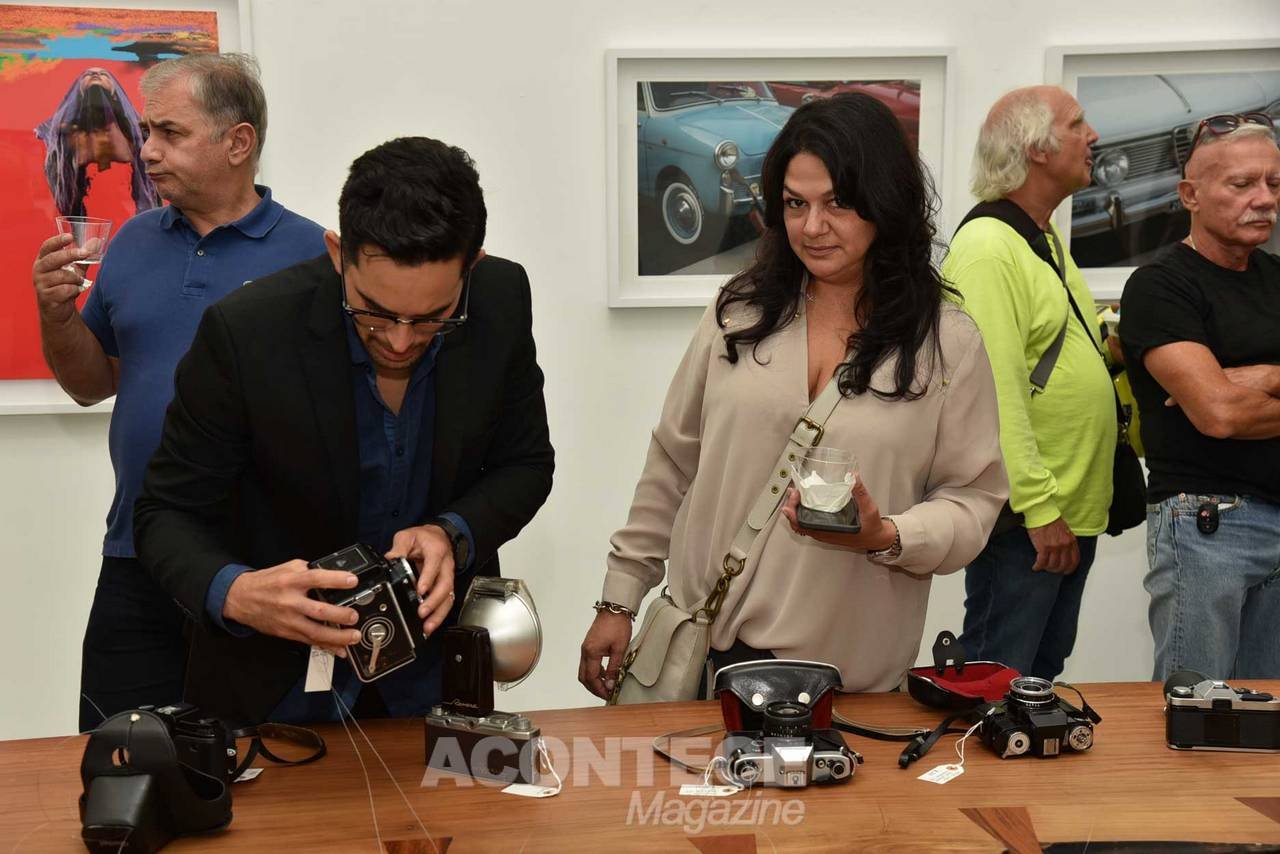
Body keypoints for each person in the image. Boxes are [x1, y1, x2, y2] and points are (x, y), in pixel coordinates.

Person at [578, 94, 1007, 701]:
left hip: (843, 688)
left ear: (885, 200)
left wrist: (887, 534)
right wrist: (619, 598)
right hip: (701, 663)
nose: (812, 227)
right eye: (795, 203)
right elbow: (673, 462)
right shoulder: (739, 312)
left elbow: (973, 500)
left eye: (837, 203)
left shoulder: (946, 344)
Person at [133, 136, 555, 725]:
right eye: (375, 311)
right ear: (338, 254)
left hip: (434, 685)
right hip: (273, 694)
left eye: (433, 318)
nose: (401, 340)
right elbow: (164, 513)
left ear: (472, 267)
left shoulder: (500, 300)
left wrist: (451, 532)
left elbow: (526, 464)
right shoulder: (247, 333)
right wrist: (236, 592)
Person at [29, 53, 326, 732]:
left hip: (257, 572)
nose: (148, 152)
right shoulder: (133, 241)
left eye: (170, 133)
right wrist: (56, 315)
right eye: (147, 133)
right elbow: (90, 384)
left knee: (265, 770)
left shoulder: (314, 258)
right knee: (118, 758)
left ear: (238, 142)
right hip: (135, 554)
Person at [944, 86, 1117, 681]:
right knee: (996, 680)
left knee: (1034, 683)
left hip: (1064, 510)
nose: (1092, 136)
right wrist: (1040, 511)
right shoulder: (989, 249)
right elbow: (993, 394)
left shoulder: (1038, 237)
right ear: (1037, 148)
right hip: (1031, 521)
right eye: (1077, 124)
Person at [1119, 114, 1280, 680]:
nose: (1265, 199)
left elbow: (1226, 403)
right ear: (1190, 194)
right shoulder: (1160, 286)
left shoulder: (1276, 277)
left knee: (1269, 714)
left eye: (1273, 183)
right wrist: (1230, 392)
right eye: (1243, 184)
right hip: (1208, 523)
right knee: (1197, 709)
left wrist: (1263, 376)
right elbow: (1219, 414)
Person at [35, 66, 160, 217]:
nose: (95, 74)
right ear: (79, 88)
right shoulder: (62, 129)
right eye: (88, 74)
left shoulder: (133, 130)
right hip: (80, 208)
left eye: (103, 74)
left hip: (119, 204)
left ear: (114, 88)